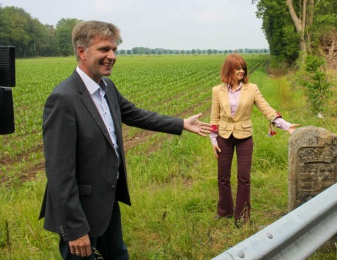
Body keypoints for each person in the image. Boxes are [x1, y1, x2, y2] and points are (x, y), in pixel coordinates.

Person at [39, 20, 211, 259]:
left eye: (114, 49)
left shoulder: (107, 87)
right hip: (81, 212)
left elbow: (137, 115)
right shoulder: (63, 99)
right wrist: (74, 228)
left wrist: (181, 123)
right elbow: (59, 173)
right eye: (104, 49)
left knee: (118, 255)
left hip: (107, 202)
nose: (111, 56)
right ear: (81, 51)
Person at [210, 53, 299, 226]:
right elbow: (214, 118)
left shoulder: (252, 89)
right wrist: (214, 140)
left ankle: (242, 216)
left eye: (243, 68)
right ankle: (225, 211)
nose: (241, 71)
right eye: (238, 68)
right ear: (229, 70)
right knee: (223, 177)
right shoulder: (217, 91)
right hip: (224, 137)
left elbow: (267, 109)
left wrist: (285, 125)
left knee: (244, 178)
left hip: (244, 137)